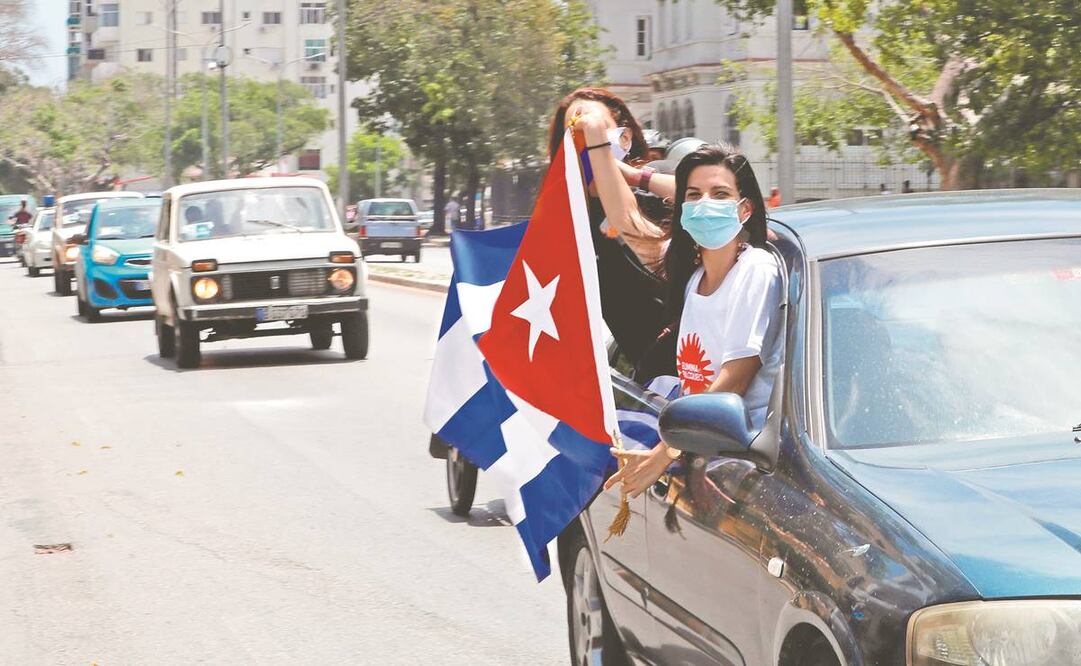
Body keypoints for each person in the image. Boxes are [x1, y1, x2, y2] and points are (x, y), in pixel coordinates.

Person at [581, 140, 784, 499]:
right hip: (697, 449)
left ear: (745, 209)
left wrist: (665, 453)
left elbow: (736, 377)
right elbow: (627, 223)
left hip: (738, 461)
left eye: (720, 194)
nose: (705, 204)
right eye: (693, 195)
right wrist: (602, 149)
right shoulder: (692, 279)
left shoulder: (756, 269)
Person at [546, 87, 678, 366]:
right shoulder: (568, 225)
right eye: (575, 136)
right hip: (649, 388)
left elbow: (702, 195)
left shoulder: (658, 187)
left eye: (594, 128)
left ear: (624, 138)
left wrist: (631, 175)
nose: (587, 140)